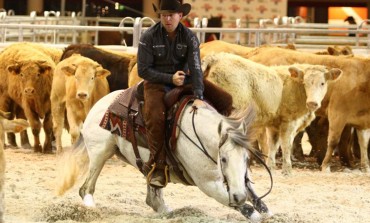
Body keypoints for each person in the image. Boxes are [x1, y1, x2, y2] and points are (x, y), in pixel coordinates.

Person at [137, 0, 205, 188]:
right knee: (155, 115)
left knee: (223, 98)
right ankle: (158, 166)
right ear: (160, 16)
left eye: (171, 15)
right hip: (155, 83)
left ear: (180, 16)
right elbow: (142, 71)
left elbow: (196, 67)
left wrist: (199, 95)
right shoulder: (149, 36)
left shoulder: (190, 37)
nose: (167, 18)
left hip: (183, 80)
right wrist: (169, 78)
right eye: (164, 15)